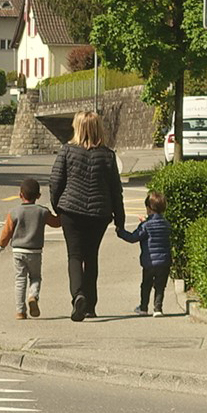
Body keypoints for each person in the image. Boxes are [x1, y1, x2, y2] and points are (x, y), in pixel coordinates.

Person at [48, 109, 125, 322]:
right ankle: (90, 305)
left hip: (71, 211)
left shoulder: (67, 151)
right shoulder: (108, 155)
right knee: (91, 258)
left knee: (74, 256)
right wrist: (120, 220)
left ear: (77, 127)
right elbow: (115, 190)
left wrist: (57, 206)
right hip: (99, 214)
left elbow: (55, 181)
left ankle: (78, 296)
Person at [0, 176, 60, 319]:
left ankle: (20, 311)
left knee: (20, 280)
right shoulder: (42, 212)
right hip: (35, 251)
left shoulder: (14, 212)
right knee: (35, 277)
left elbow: (7, 232)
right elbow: (56, 223)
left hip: (18, 251)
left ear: (20, 195)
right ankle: (33, 296)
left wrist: (0, 245)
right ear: (38, 196)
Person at [117, 191, 174, 316]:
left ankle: (143, 308)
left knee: (146, 285)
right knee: (160, 286)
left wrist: (121, 232)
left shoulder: (146, 226)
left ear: (148, 208)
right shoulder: (166, 224)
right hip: (164, 261)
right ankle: (158, 308)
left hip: (149, 262)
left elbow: (133, 237)